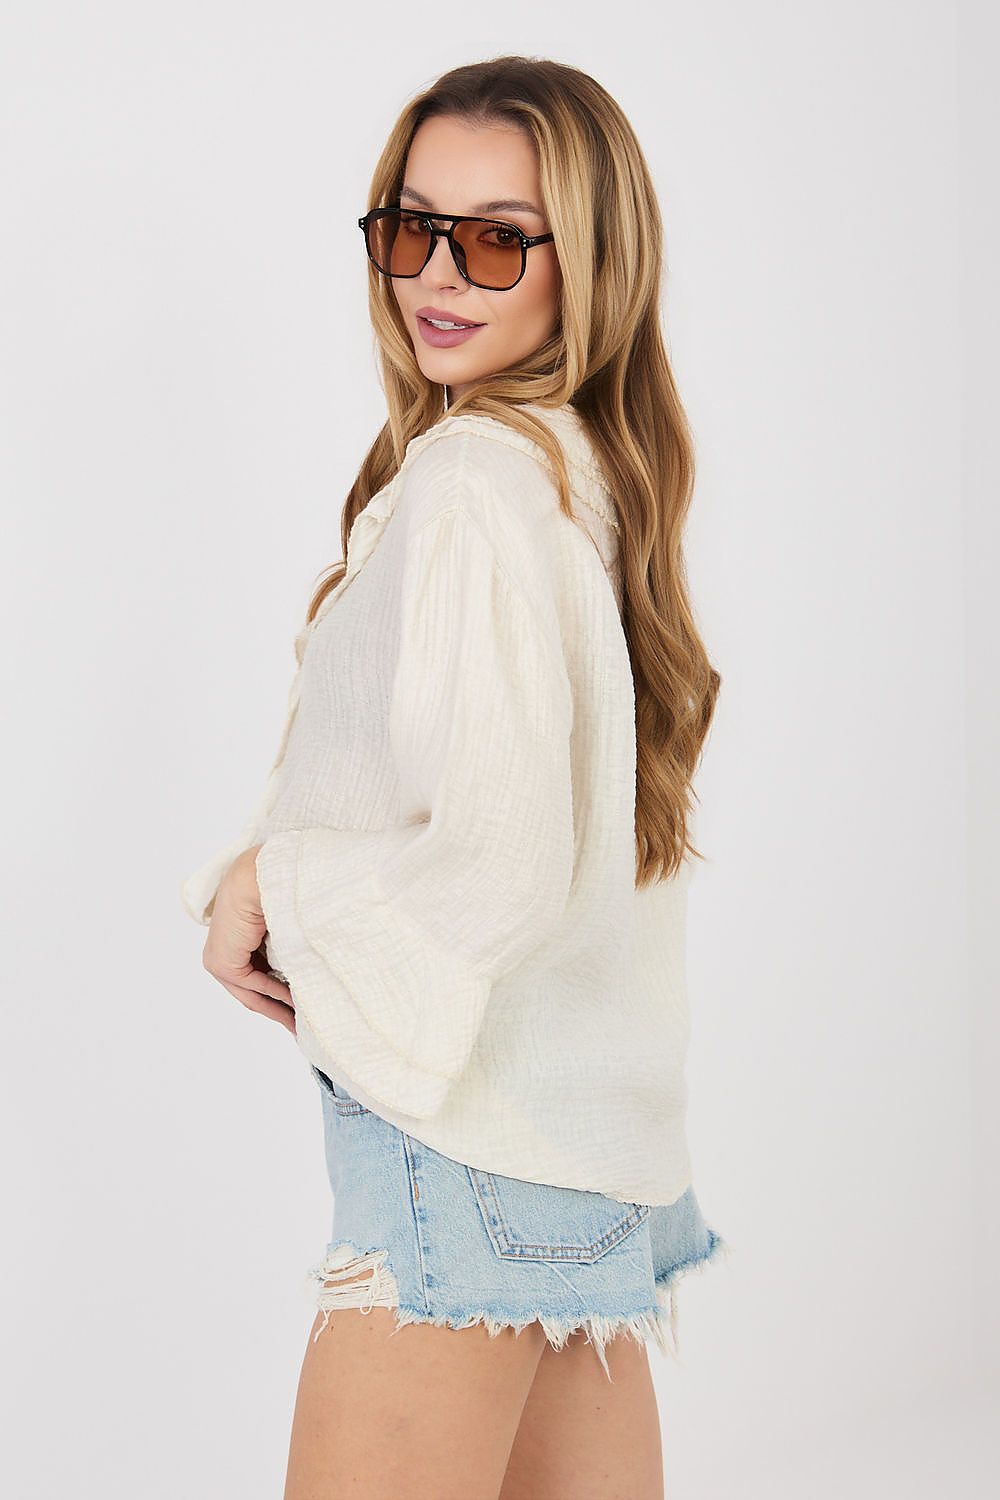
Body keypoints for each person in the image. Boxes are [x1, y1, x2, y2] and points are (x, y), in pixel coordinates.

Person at [181, 54, 731, 1500]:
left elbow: (499, 860)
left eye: (497, 238)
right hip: (586, 1152)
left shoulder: (478, 485)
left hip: (470, 1141)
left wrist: (268, 883)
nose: (438, 272)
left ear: (589, 262)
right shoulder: (586, 472)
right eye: (410, 226)